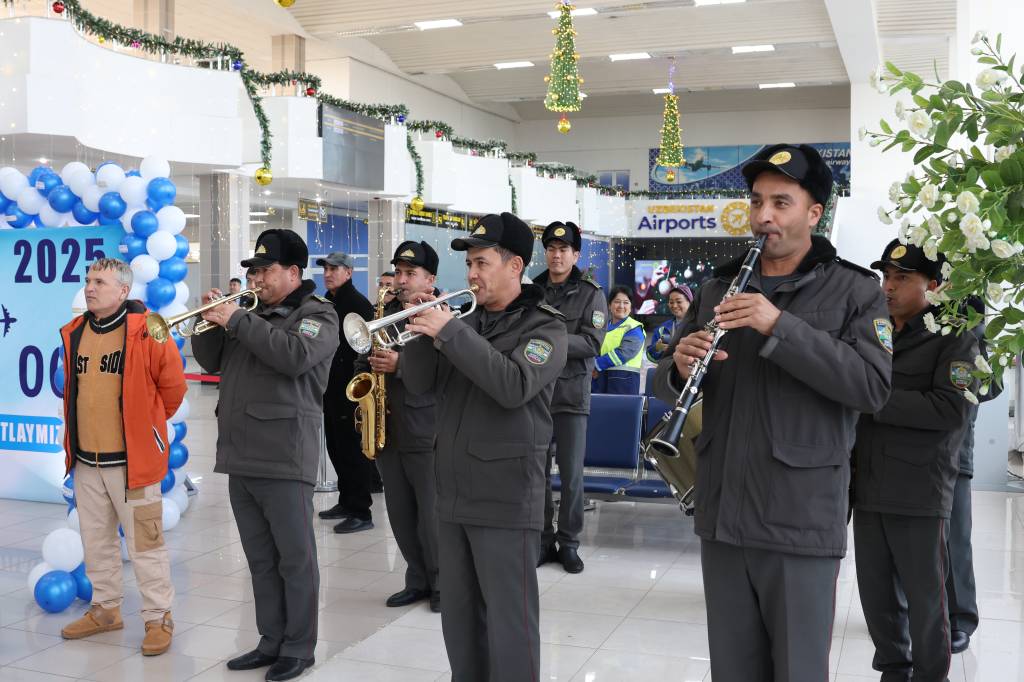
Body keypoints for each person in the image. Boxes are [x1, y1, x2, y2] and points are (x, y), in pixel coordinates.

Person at [652, 143, 893, 681]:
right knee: (732, 669)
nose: (764, 216)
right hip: (723, 509)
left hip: (799, 516)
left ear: (814, 213)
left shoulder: (856, 290)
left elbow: (871, 387)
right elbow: (667, 378)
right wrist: (679, 367)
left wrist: (780, 326)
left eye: (782, 203)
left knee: (798, 670)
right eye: (757, 201)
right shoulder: (718, 286)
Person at [402, 212, 567, 682]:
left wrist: (449, 332)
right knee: (460, 620)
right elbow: (419, 384)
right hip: (454, 492)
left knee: (510, 625)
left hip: (506, 495)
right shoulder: (463, 320)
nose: (471, 274)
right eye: (469, 264)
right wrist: (420, 331)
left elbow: (513, 385)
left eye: (481, 263)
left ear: (515, 265)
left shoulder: (546, 328)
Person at [192, 229, 339, 682]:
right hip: (240, 452)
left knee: (295, 559)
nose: (256, 279)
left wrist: (237, 319)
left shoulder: (318, 315)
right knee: (259, 558)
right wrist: (207, 322)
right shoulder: (250, 314)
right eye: (253, 271)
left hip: (284, 454)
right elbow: (210, 362)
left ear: (293, 272)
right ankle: (270, 639)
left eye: (265, 270)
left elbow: (294, 356)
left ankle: (299, 647)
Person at [853, 239, 979, 682]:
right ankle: (893, 669)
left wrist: (873, 399)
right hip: (867, 482)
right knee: (876, 595)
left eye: (902, 278)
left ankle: (930, 674)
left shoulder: (957, 335)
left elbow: (951, 409)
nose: (888, 287)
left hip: (919, 488)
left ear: (934, 285)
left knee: (927, 599)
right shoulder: (873, 332)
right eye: (886, 277)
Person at [58, 258, 185, 657]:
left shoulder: (147, 330)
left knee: (146, 545)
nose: (90, 287)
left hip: (134, 465)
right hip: (86, 462)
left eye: (99, 281)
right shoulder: (76, 332)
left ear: (123, 290)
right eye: (88, 280)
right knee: (96, 541)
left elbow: (174, 389)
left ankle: (158, 617)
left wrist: (147, 428)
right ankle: (106, 609)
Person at [353, 242, 441, 612]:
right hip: (386, 427)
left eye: (410, 274)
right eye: (399, 273)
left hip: (425, 427)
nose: (401, 280)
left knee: (432, 515)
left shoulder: (441, 314)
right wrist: (365, 368)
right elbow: (363, 355)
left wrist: (399, 366)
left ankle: (443, 582)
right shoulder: (385, 312)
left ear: (429, 279)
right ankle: (417, 578)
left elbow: (445, 370)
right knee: (400, 513)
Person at [532, 220, 606, 573]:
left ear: (576, 255)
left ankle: (570, 543)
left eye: (564, 249)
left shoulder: (592, 293)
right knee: (538, 474)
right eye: (551, 248)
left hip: (572, 396)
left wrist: (550, 342)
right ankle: (544, 540)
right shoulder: (532, 290)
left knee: (572, 475)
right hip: (536, 393)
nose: (556, 255)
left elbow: (592, 343)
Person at [947, 296, 1001, 654]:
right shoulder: (901, 307)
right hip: (901, 444)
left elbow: (988, 387)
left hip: (952, 446)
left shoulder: (968, 304)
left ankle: (959, 618)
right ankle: (901, 613)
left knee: (954, 537)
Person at [315, 252, 380, 532]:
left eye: (334, 269)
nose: (328, 274)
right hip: (330, 388)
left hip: (350, 390)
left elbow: (366, 347)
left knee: (353, 452)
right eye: (326, 269)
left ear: (349, 272)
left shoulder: (357, 304)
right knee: (336, 448)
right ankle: (346, 501)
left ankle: (361, 511)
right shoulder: (327, 302)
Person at [592, 285, 644, 394]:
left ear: (630, 307)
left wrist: (596, 364)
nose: (621, 306)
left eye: (626, 302)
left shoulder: (634, 327)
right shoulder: (602, 327)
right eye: (617, 302)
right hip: (600, 380)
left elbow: (624, 353)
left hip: (624, 383)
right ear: (609, 305)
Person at [646, 285, 693, 362]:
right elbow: (651, 357)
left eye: (679, 302)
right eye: (671, 302)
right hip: (668, 368)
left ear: (690, 302)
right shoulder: (662, 329)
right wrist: (656, 348)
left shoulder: (699, 326)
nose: (674, 306)